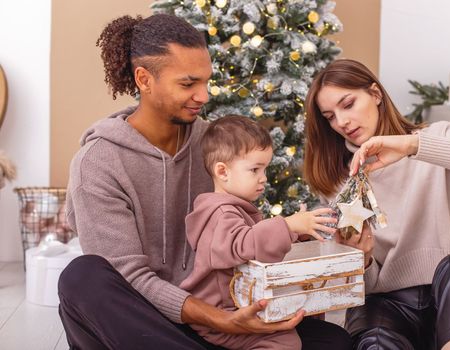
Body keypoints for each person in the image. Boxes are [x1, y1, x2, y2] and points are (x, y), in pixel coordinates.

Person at [58, 14, 352, 349]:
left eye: (206, 82)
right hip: (150, 322)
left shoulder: (215, 146)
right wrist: (221, 320)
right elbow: (130, 279)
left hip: (223, 318)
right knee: (82, 278)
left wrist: (302, 235)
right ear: (144, 79)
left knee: (335, 341)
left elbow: (241, 238)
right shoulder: (98, 163)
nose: (203, 95)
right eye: (188, 84)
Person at [303, 59, 450, 350]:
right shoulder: (339, 181)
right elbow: (361, 286)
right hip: (386, 308)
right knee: (375, 340)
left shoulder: (438, 140)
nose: (341, 122)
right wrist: (363, 258)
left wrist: (413, 145)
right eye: (330, 116)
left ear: (376, 94)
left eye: (348, 104)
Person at [179, 115, 344, 350]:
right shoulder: (220, 213)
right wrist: (287, 225)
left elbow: (257, 245)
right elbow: (242, 245)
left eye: (264, 168)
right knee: (283, 342)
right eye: (255, 169)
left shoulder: (232, 208)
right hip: (220, 315)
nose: (263, 178)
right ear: (223, 172)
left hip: (240, 302)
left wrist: (297, 233)